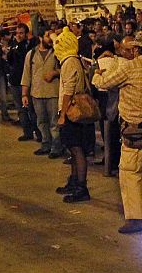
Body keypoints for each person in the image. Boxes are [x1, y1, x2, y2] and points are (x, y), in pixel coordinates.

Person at [92, 37, 142, 233]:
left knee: (130, 172)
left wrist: (97, 72)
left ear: (136, 50)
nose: (123, 52)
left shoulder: (130, 68)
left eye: (127, 49)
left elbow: (103, 83)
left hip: (134, 130)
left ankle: (135, 218)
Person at [55, 27, 92, 202]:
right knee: (73, 148)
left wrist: (62, 114)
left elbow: (68, 90)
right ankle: (74, 182)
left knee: (77, 149)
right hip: (72, 111)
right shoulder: (72, 60)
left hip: (72, 112)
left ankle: (81, 187)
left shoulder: (69, 61)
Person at [21, 31, 64, 159]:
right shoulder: (31, 54)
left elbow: (65, 69)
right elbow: (26, 75)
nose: (50, 39)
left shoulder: (57, 53)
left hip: (53, 93)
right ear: (40, 38)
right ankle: (46, 144)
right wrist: (24, 94)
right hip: (37, 93)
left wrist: (55, 73)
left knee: (54, 123)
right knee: (41, 121)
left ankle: (56, 147)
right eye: (47, 36)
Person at [7, 23, 41, 142]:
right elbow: (10, 60)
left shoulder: (29, 46)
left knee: (31, 109)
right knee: (21, 110)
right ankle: (27, 132)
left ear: (26, 34)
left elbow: (23, 59)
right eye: (17, 33)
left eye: (21, 33)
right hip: (15, 81)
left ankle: (39, 133)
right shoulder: (14, 45)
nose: (18, 35)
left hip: (26, 81)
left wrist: (19, 46)